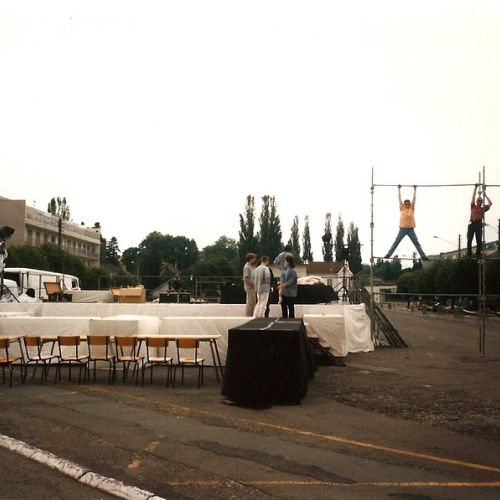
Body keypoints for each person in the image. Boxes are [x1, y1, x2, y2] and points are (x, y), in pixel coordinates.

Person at [384, 185, 428, 260]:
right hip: (402, 229)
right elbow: (399, 198)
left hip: (411, 229)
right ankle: (389, 254)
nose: (407, 204)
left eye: (408, 203)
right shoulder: (402, 208)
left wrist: (415, 189)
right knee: (396, 242)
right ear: (404, 204)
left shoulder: (412, 208)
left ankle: (423, 255)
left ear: (410, 204)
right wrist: (399, 189)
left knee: (416, 243)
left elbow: (414, 199)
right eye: (406, 204)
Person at [467, 184, 492, 258]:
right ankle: (469, 254)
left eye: (480, 201)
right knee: (469, 239)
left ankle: (478, 254)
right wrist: (475, 188)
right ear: (476, 201)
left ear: (481, 202)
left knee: (479, 241)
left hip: (478, 224)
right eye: (478, 201)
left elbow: (490, 203)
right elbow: (473, 197)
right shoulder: (473, 206)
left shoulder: (482, 209)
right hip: (472, 223)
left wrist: (485, 195)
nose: (479, 202)